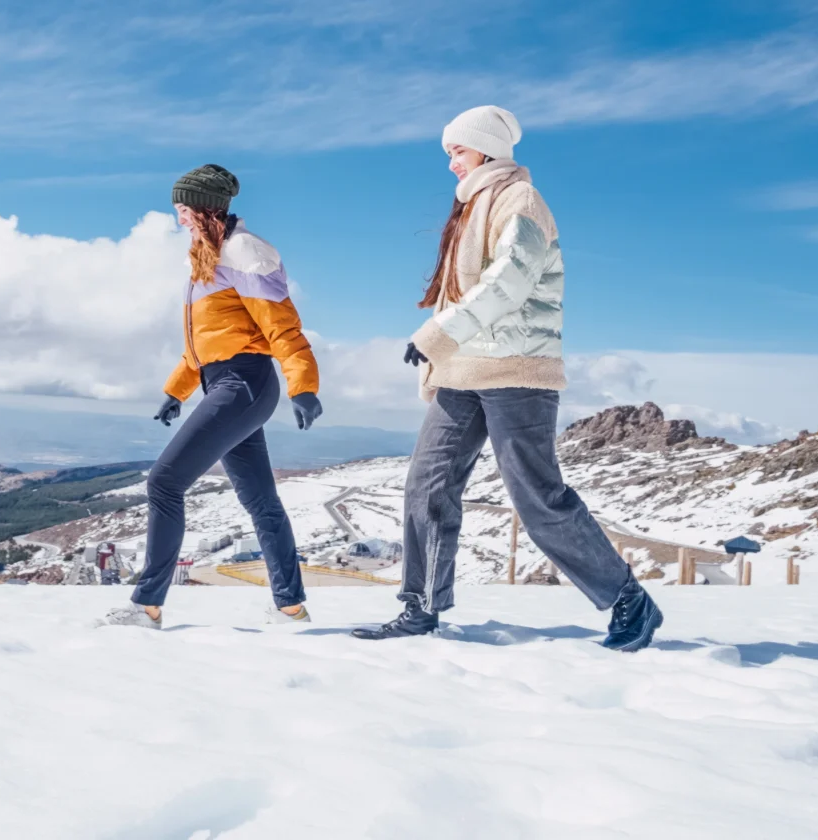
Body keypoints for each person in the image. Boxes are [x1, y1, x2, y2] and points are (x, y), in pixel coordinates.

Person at [353, 106, 664, 651]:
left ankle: (628, 600)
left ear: (487, 151)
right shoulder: (471, 206)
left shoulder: (520, 200)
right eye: (448, 153)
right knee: (427, 484)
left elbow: (509, 282)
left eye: (458, 151)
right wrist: (444, 347)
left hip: (518, 371)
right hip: (463, 371)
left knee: (536, 497)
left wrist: (435, 334)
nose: (450, 163)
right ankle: (421, 607)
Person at [99, 165, 323, 629]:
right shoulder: (205, 256)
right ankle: (290, 606)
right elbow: (204, 343)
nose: (178, 218)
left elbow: (282, 326)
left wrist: (303, 385)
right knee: (261, 502)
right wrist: (176, 390)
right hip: (225, 382)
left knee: (163, 483)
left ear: (204, 208)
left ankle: (147, 605)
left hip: (245, 383)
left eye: (183, 209)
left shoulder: (244, 251)